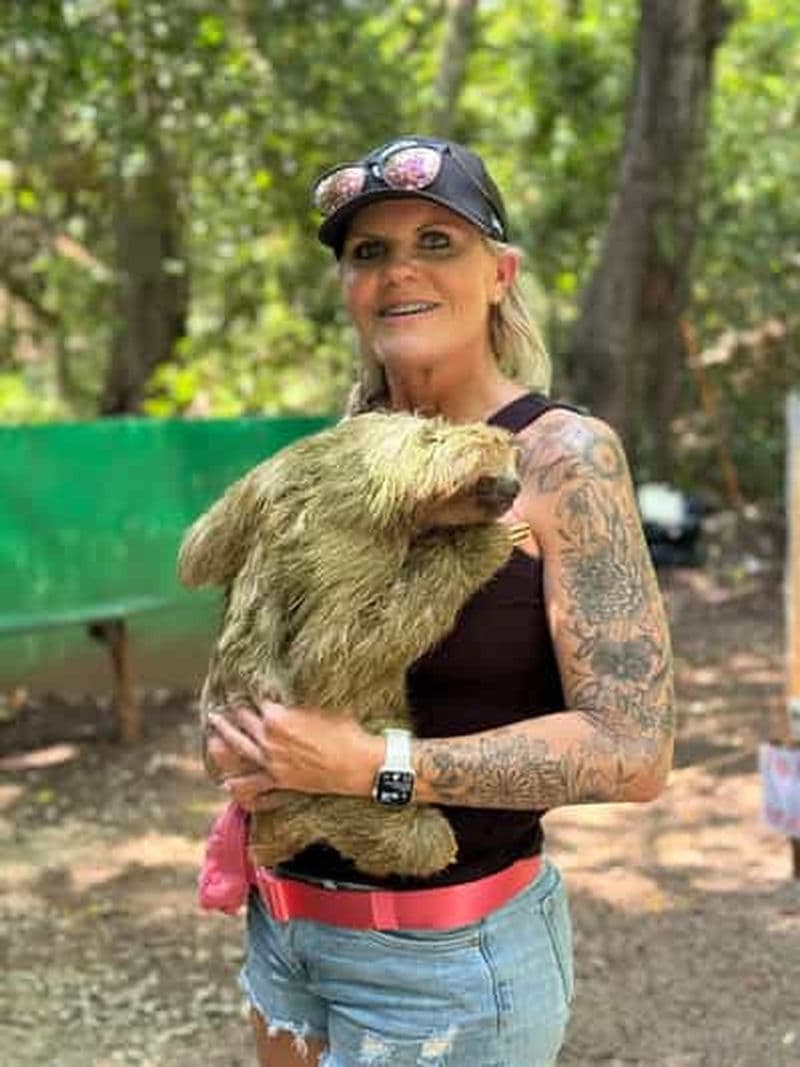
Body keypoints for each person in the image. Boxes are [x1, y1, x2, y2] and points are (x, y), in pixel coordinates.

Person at [203, 135, 675, 1067]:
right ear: (347, 285)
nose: (398, 271)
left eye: (437, 242)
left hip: (447, 961)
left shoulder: (558, 458)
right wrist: (244, 742)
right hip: (287, 935)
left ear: (500, 273)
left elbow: (635, 749)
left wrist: (372, 767)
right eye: (368, 252)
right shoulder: (339, 454)